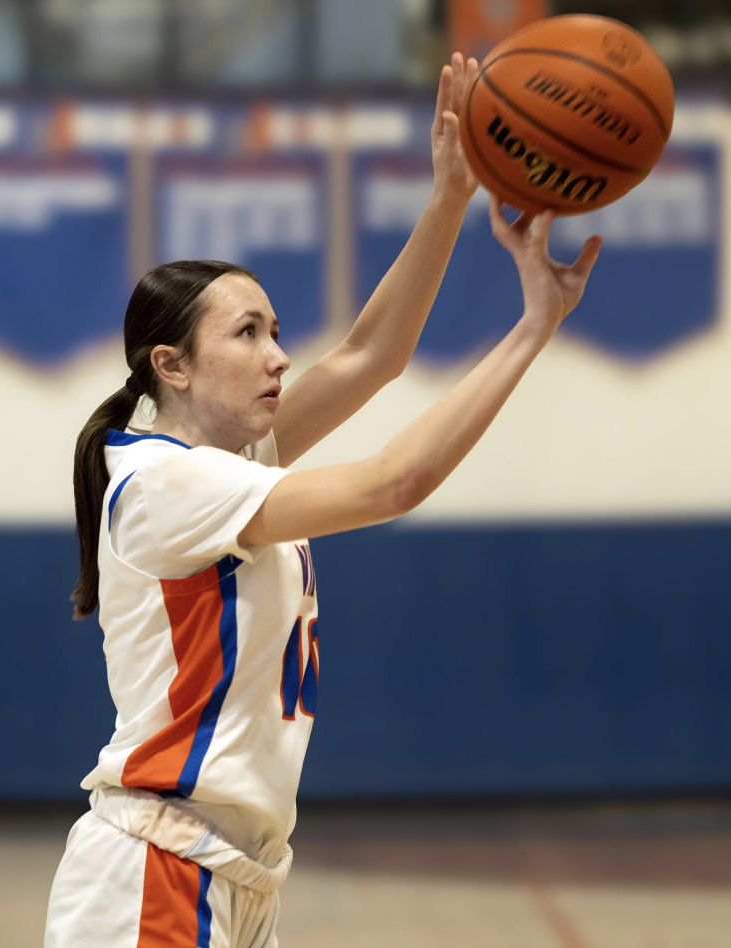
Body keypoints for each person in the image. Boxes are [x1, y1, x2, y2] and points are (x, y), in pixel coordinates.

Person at [45, 54, 601, 948]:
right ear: (171, 365)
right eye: (248, 333)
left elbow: (370, 356)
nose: (280, 355)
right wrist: (530, 331)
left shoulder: (228, 460)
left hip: (235, 873)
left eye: (275, 329)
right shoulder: (164, 482)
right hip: (155, 874)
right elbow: (394, 481)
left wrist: (450, 194)